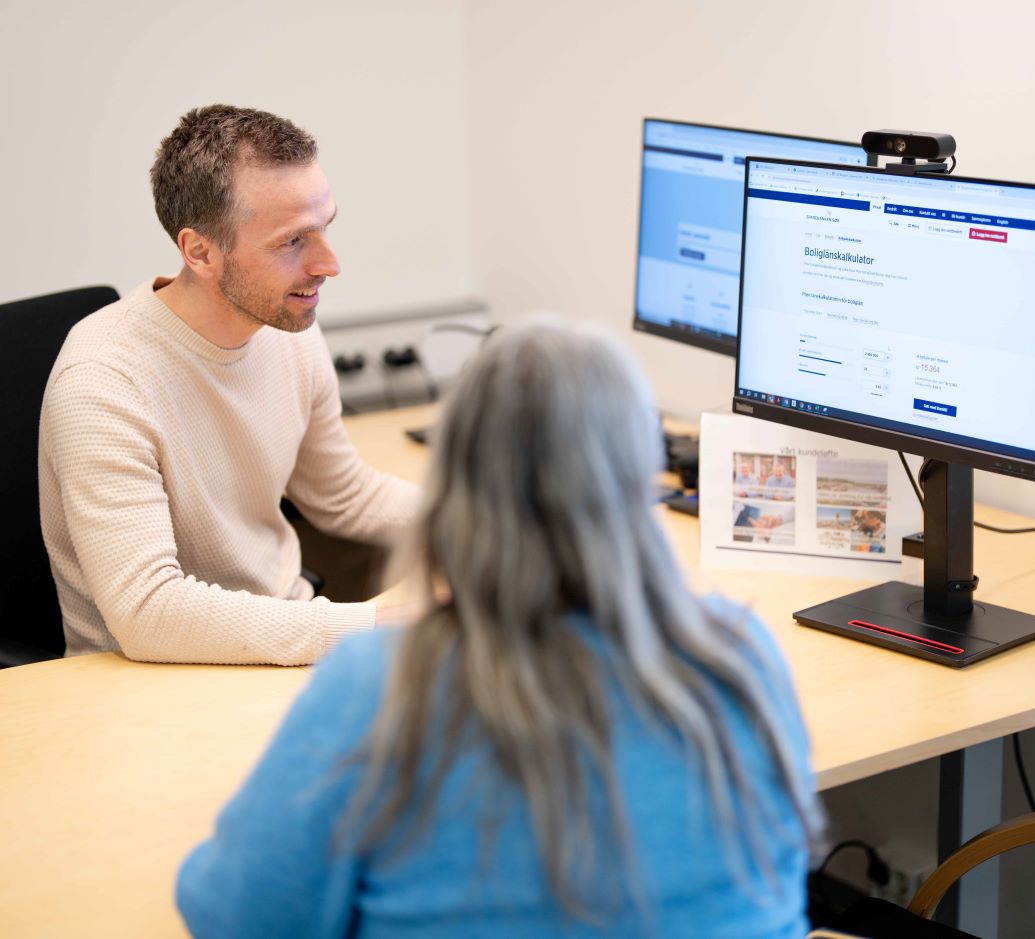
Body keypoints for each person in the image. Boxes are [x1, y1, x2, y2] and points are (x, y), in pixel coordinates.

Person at [176, 318, 820, 938]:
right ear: (635, 480)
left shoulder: (378, 686)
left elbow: (237, 918)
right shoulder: (740, 655)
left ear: (454, 485)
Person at [38, 105, 417, 666]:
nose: (329, 264)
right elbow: (149, 611)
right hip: (145, 687)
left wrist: (505, 522)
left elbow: (342, 495)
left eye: (325, 228)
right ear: (200, 252)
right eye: (292, 242)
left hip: (272, 648)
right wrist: (372, 624)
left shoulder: (286, 325)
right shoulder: (103, 382)